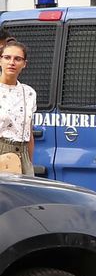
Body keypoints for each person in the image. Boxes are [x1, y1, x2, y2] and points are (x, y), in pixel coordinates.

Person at [0, 39, 36, 176]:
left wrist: (29, 163)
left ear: (24, 64)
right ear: (0, 60)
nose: (12, 62)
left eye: (18, 59)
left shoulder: (29, 93)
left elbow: (29, 133)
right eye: (7, 57)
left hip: (23, 155)